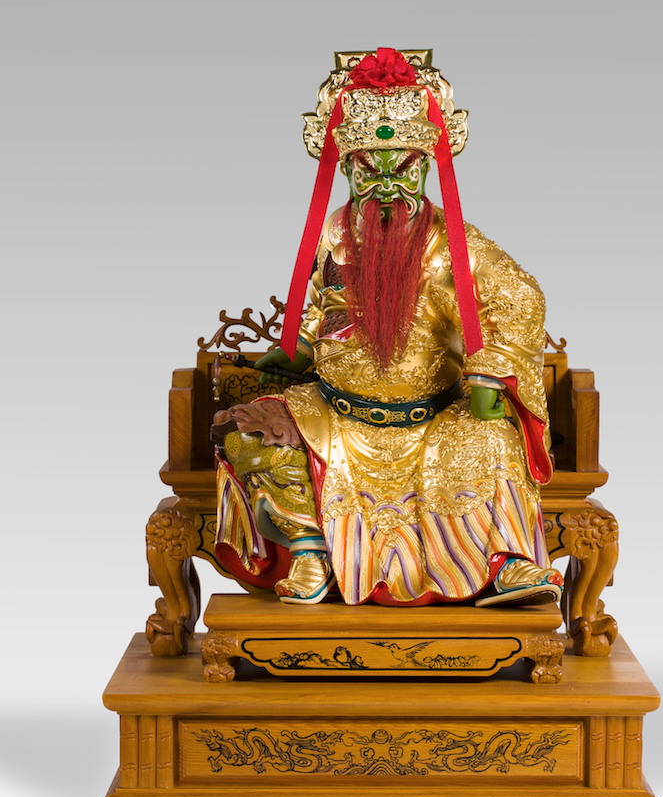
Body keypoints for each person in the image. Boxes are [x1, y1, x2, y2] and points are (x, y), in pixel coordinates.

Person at [214, 48, 562, 608]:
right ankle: (312, 553)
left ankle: (508, 564)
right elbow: (322, 306)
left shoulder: (453, 244)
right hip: (337, 416)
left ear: (425, 168)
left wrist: (489, 373)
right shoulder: (334, 234)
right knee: (249, 437)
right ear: (347, 169)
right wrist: (298, 347)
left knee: (495, 439)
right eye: (368, 170)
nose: (384, 185)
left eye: (402, 170)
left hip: (432, 421)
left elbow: (521, 299)